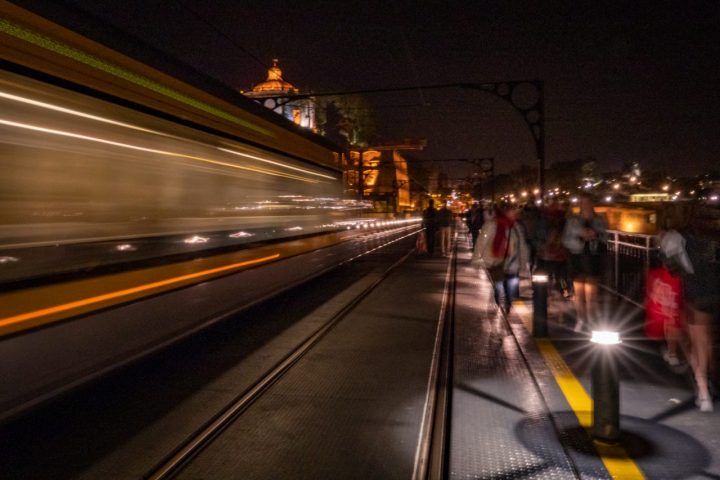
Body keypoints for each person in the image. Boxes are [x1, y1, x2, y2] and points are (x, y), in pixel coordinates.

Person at [682, 222, 719, 412]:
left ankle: (703, 389)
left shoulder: (687, 237)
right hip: (714, 289)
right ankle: (707, 383)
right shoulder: (714, 236)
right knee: (708, 339)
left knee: (699, 341)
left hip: (698, 290)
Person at [562, 194, 608, 332]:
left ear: (592, 204)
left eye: (588, 203)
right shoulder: (572, 221)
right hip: (577, 257)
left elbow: (606, 238)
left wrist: (595, 235)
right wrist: (580, 237)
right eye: (583, 203)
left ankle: (591, 320)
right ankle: (581, 319)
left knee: (592, 294)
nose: (585, 206)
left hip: (593, 257)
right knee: (579, 293)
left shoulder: (600, 220)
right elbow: (565, 240)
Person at [472, 203, 530, 313]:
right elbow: (481, 242)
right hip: (496, 262)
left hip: (513, 263)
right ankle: (501, 306)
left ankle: (507, 305)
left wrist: (524, 261)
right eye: (513, 212)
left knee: (512, 288)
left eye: (516, 213)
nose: (515, 215)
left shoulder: (516, 226)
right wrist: (476, 258)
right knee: (499, 287)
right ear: (506, 213)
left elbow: (522, 244)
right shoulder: (492, 224)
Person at [534, 199, 571, 297]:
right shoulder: (563, 219)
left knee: (551, 274)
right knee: (561, 276)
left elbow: (538, 235)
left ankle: (548, 291)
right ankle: (564, 291)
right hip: (558, 253)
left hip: (550, 253)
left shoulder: (545, 219)